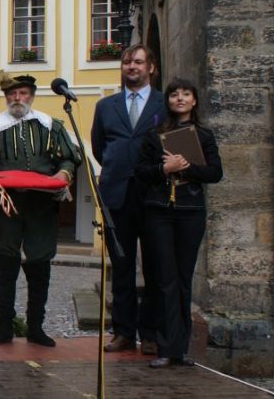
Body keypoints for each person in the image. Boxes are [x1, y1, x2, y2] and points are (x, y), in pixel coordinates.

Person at [0, 71, 81, 347]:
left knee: (40, 264)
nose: (17, 98)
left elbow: (69, 158)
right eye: (12, 94)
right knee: (6, 264)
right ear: (6, 98)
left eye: (23, 93)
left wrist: (63, 174)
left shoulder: (50, 125)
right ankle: (4, 326)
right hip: (8, 205)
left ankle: (35, 327)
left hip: (42, 205)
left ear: (32, 96)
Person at [135, 78, 223, 368]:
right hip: (159, 211)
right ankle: (165, 347)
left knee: (184, 279)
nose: (180, 98)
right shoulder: (153, 135)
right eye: (175, 94)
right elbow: (141, 172)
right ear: (168, 101)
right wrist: (164, 168)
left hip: (190, 211)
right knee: (164, 279)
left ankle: (181, 350)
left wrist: (186, 167)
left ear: (194, 100)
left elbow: (215, 173)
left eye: (186, 94)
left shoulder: (205, 136)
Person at [91, 44, 167, 355]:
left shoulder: (165, 103)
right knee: (121, 265)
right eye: (126, 62)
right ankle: (122, 332)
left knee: (154, 267)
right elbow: (99, 147)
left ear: (151, 68)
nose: (131, 67)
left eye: (137, 62)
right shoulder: (106, 106)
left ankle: (149, 333)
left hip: (153, 195)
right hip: (117, 194)